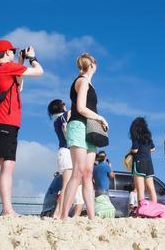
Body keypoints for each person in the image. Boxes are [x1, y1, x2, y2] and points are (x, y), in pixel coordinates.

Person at [0, 40, 44, 217]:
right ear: (6, 53)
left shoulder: (4, 69)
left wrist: (20, 62)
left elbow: (18, 87)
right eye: (12, 50)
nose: (14, 52)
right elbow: (39, 72)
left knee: (8, 166)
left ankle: (7, 209)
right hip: (4, 120)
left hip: (8, 122)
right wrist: (33, 58)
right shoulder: (5, 67)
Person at [61, 53, 107, 220]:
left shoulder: (89, 83)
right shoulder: (82, 81)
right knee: (78, 172)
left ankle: (92, 217)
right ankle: (64, 215)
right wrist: (100, 117)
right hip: (78, 126)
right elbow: (80, 108)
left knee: (88, 173)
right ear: (92, 64)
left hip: (88, 129)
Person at [48, 99, 72, 219]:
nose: (65, 105)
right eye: (64, 104)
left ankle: (58, 212)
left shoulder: (56, 119)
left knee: (66, 185)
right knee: (67, 185)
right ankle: (58, 213)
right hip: (66, 151)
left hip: (63, 152)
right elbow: (77, 110)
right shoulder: (63, 116)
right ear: (61, 107)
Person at [128, 117, 157, 205]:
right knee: (151, 188)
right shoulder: (148, 136)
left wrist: (130, 151)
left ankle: (142, 210)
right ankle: (154, 209)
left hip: (139, 162)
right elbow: (153, 149)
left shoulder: (136, 135)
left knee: (140, 189)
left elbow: (135, 150)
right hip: (149, 163)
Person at [93, 151, 116, 218]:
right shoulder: (106, 166)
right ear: (105, 157)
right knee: (106, 208)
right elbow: (112, 176)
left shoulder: (95, 168)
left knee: (99, 207)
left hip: (96, 190)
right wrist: (110, 166)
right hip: (104, 190)